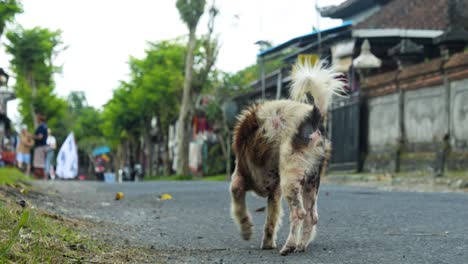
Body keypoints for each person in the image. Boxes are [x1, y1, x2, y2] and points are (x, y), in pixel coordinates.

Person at [33, 114, 48, 180]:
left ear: (39, 119)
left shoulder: (41, 126)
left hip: (40, 146)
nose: (36, 120)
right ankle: (42, 176)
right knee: (41, 161)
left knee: (39, 162)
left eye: (37, 119)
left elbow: (40, 136)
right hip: (43, 146)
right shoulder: (45, 126)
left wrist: (32, 136)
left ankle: (41, 176)